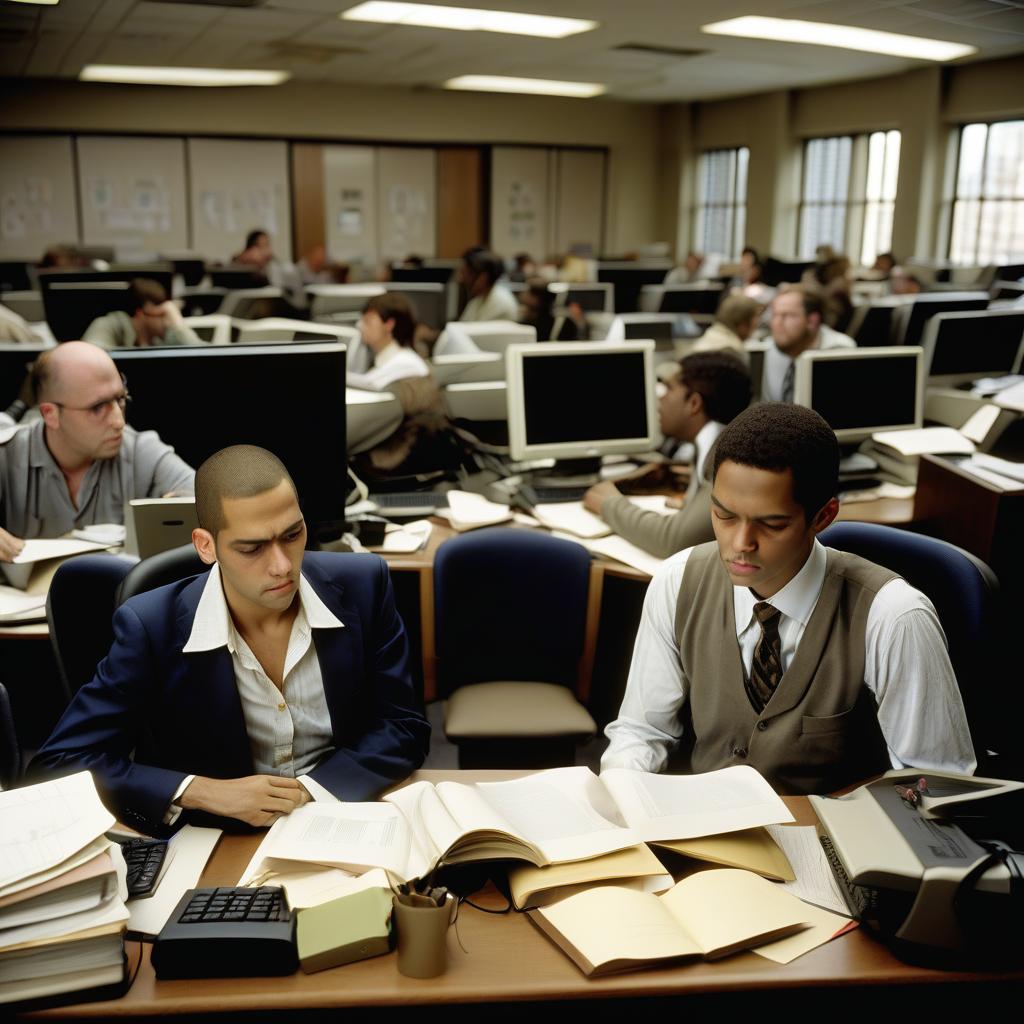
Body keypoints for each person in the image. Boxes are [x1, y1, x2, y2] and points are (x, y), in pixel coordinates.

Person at [29, 444, 431, 833]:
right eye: (252, 548)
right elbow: (62, 762)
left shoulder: (365, 586)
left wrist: (309, 793)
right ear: (206, 546)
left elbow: (404, 727)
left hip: (344, 818)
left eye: (292, 535)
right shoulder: (151, 626)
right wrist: (199, 791)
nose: (281, 566)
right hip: (214, 837)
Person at [601, 403, 975, 794]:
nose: (740, 544)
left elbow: (935, 789)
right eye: (724, 515)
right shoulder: (677, 581)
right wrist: (623, 793)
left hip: (837, 843)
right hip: (708, 829)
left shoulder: (894, 617)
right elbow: (642, 730)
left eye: (771, 523)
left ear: (824, 516)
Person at [0, 342, 194, 561]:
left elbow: (216, 505)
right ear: (50, 414)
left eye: (120, 399)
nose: (119, 421)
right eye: (97, 407)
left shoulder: (142, 452)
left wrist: (188, 508)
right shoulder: (7, 455)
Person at [583, 352, 751, 558]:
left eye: (670, 388)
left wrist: (609, 504)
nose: (660, 397)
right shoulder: (717, 443)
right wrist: (693, 505)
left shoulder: (722, 458)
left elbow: (673, 540)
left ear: (694, 404)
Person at [761, 286, 855, 403]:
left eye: (787, 315)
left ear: (812, 321)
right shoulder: (767, 349)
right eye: (775, 315)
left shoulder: (840, 350)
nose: (777, 323)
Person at [82, 278, 200, 349]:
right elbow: (88, 358)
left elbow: (203, 356)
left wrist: (179, 325)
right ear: (140, 314)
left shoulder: (163, 339)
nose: (166, 321)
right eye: (162, 314)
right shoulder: (108, 325)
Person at [347, 293, 429, 391]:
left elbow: (369, 385)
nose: (360, 325)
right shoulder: (389, 360)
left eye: (367, 321)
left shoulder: (407, 363)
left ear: (389, 325)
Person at [691, 293, 759, 360]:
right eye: (754, 323)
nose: (756, 326)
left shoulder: (711, 334)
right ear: (743, 325)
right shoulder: (731, 351)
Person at [458, 249, 519, 322]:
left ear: (483, 277)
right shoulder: (478, 300)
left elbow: (474, 330)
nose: (462, 279)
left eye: (466, 273)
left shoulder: (501, 301)